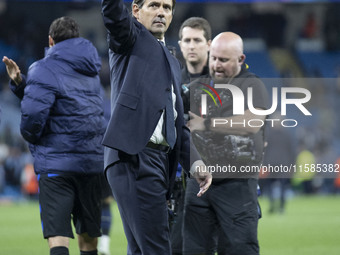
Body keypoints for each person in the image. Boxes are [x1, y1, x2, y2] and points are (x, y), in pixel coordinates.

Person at [101, 0, 212, 254]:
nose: (161, 11)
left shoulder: (173, 62)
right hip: (134, 157)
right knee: (157, 248)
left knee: (141, 249)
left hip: (158, 162)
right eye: (154, 5)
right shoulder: (130, 38)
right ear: (136, 11)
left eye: (167, 7)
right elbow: (113, 15)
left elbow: (176, 121)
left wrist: (195, 162)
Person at [2, 16, 106, 255]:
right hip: (91, 164)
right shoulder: (92, 73)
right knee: (89, 237)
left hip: (57, 165)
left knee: (58, 236)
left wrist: (34, 140)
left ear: (50, 40)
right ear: (78, 40)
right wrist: (20, 84)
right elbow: (67, 103)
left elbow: (32, 117)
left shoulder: (43, 67)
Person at [183, 32, 269, 255]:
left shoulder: (252, 84)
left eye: (224, 60)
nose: (216, 65)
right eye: (213, 58)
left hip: (237, 185)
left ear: (240, 59)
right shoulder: (197, 87)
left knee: (239, 249)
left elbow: (252, 123)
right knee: (193, 250)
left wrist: (206, 124)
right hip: (199, 185)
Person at [170, 16, 212, 255]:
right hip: (179, 182)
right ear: (180, 43)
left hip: (217, 180)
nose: (192, 45)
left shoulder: (224, 82)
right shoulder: (171, 80)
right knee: (176, 248)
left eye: (197, 40)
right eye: (187, 40)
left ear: (209, 43)